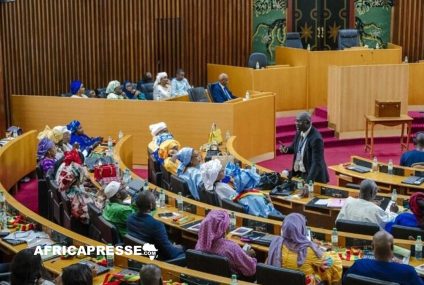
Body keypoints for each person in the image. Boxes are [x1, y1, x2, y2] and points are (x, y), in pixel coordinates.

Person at [266, 213, 342, 285]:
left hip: (280, 281)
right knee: (331, 266)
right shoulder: (309, 250)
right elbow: (330, 262)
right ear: (302, 229)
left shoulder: (275, 242)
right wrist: (331, 252)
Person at [344, 231, 423, 285]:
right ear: (392, 248)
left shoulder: (359, 264)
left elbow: (345, 281)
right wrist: (401, 266)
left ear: (372, 247)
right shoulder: (408, 271)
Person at [195, 209, 257, 277]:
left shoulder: (200, 243)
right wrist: (248, 256)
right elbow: (250, 270)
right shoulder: (232, 248)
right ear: (222, 228)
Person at [127, 191, 184, 260]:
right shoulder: (156, 224)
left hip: (140, 255)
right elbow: (170, 253)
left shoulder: (130, 218)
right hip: (158, 259)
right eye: (154, 201)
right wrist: (183, 248)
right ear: (151, 205)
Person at [280, 112, 329, 183]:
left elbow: (316, 163)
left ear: (307, 123)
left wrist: (308, 183)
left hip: (314, 176)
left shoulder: (316, 139)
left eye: (299, 122)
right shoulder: (299, 132)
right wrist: (286, 149)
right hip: (301, 173)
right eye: (296, 121)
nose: (296, 124)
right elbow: (294, 148)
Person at [57, 149, 95, 224]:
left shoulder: (65, 167)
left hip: (67, 198)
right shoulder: (74, 171)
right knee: (97, 205)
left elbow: (75, 184)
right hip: (75, 211)